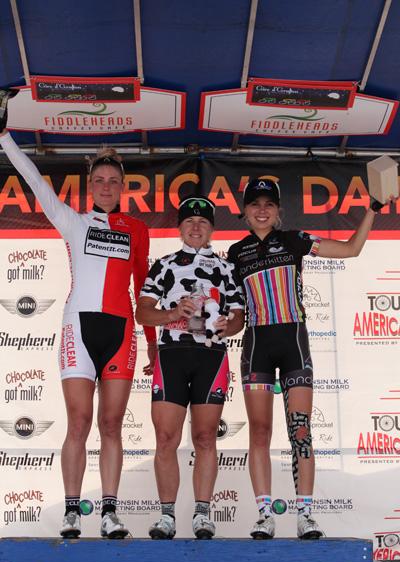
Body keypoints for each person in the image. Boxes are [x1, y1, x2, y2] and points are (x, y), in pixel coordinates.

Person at [0, 93, 157, 539]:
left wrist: (152, 343)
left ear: (123, 187)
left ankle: (109, 513)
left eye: (113, 180)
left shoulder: (137, 229)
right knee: (80, 422)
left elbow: (144, 287)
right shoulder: (73, 221)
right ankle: (72, 511)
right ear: (91, 185)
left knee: (111, 425)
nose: (106, 186)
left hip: (121, 331)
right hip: (78, 327)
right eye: (100, 180)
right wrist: (5, 137)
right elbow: (34, 182)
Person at [227, 177, 394, 540]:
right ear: (244, 211)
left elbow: (351, 250)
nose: (261, 210)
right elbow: (235, 314)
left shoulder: (295, 240)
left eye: (269, 204)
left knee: (300, 430)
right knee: (259, 432)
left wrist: (373, 209)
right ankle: (264, 516)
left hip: (293, 344)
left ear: (278, 210)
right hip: (256, 345)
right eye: (255, 204)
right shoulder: (235, 253)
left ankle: (305, 514)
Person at [135, 196, 245, 539]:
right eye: (189, 221)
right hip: (171, 354)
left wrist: (230, 324)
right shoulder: (164, 265)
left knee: (205, 437)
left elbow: (239, 317)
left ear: (212, 229)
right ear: (180, 227)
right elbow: (142, 312)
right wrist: (172, 313)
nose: (196, 227)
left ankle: (202, 514)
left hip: (210, 356)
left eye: (203, 222)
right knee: (166, 437)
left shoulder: (227, 268)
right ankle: (167, 516)